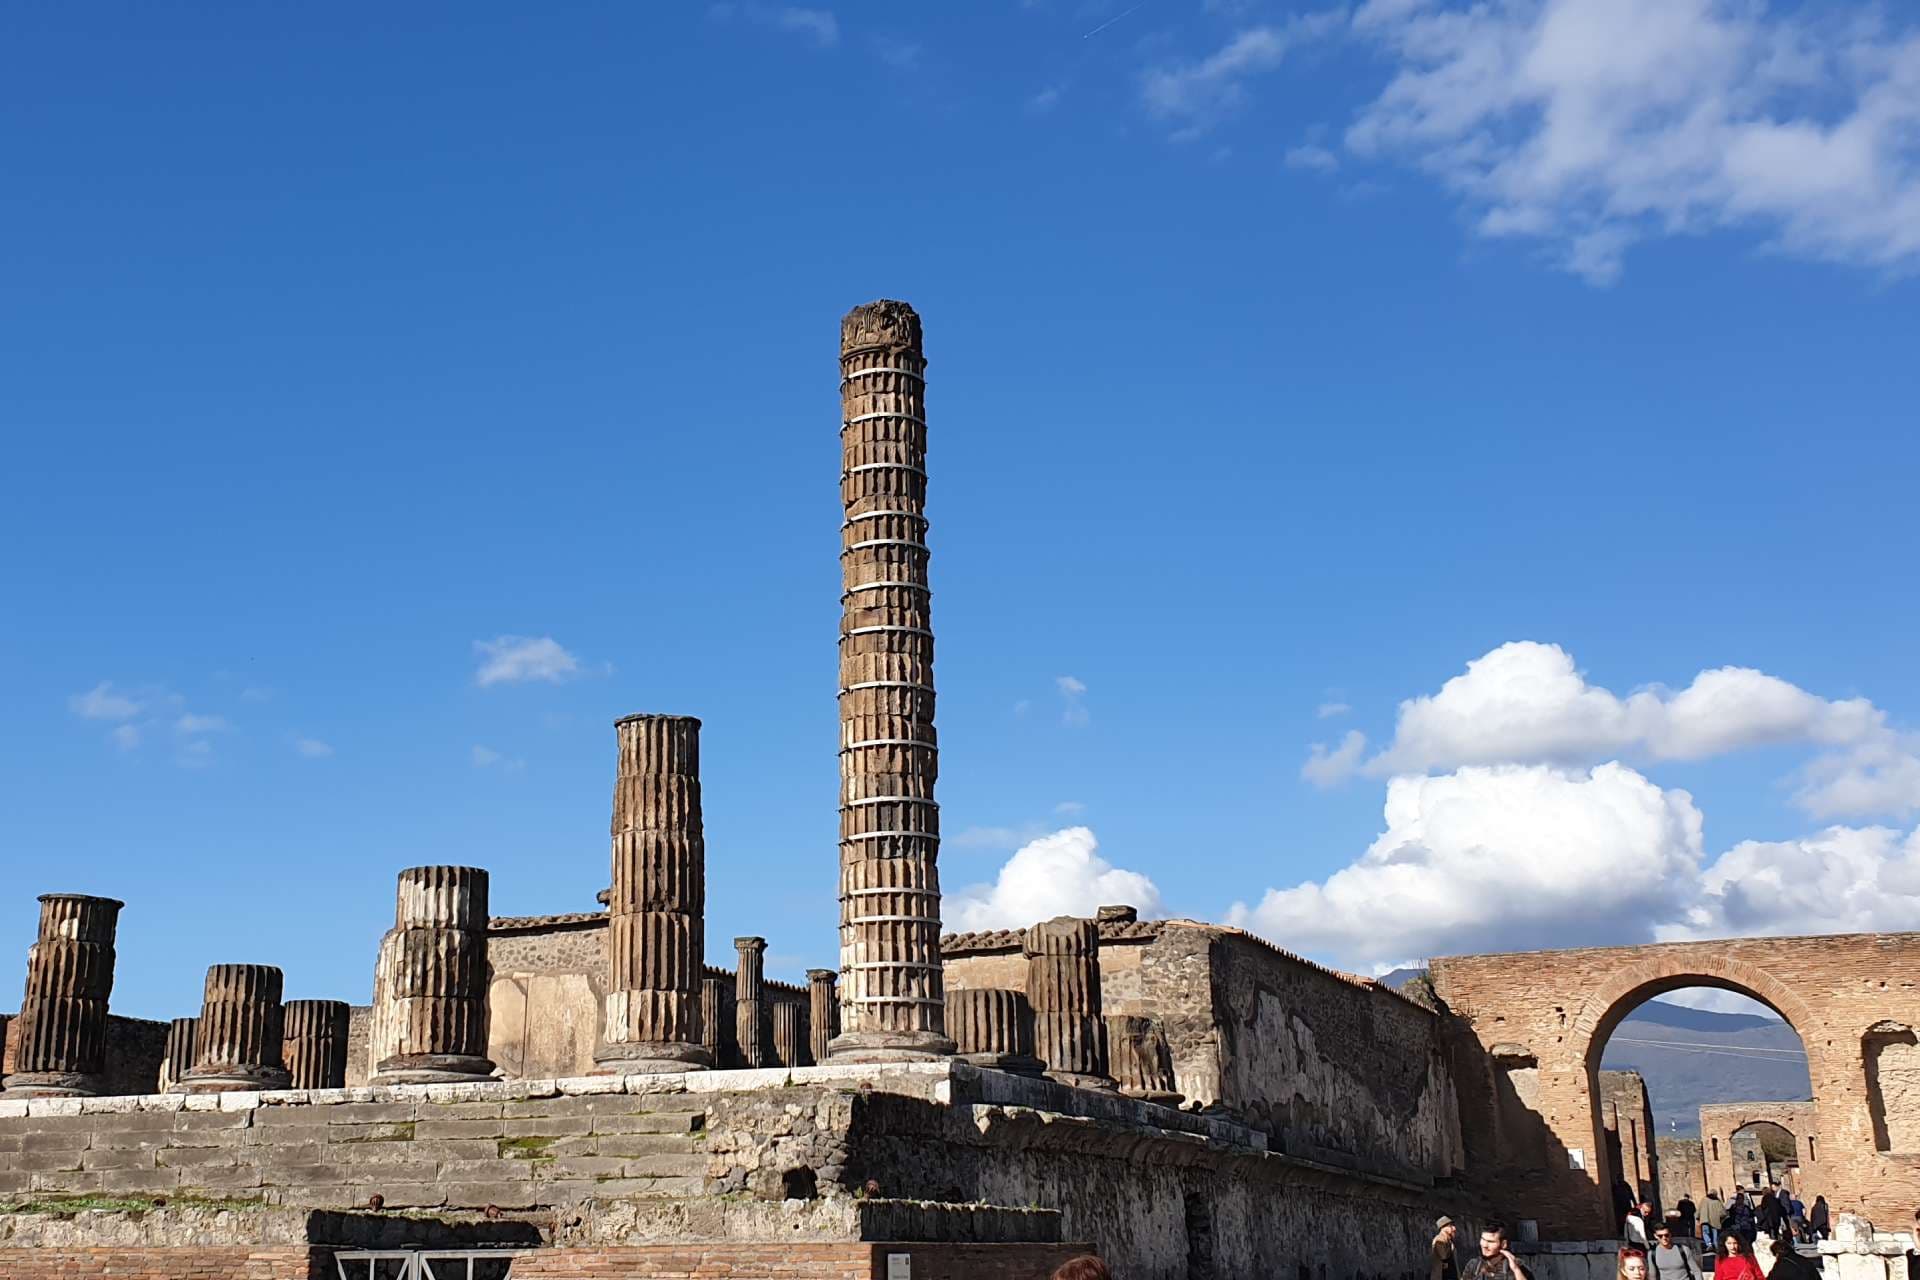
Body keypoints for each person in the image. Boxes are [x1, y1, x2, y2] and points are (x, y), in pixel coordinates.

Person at [1460, 1223, 1532, 1280]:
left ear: (1503, 1244)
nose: (1484, 1245)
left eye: (1490, 1242)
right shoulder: (1474, 1265)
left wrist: (1516, 1270)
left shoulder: (1517, 1266)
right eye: (1483, 1239)